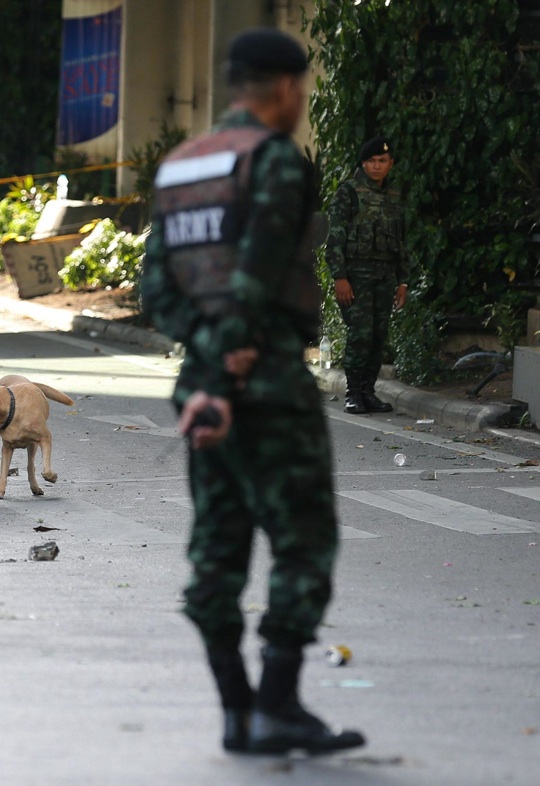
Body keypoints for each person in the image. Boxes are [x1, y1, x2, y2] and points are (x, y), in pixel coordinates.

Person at [141, 28, 365, 755]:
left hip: (199, 387)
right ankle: (276, 703)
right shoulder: (274, 162)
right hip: (264, 384)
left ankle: (237, 711)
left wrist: (202, 365)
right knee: (305, 543)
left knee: (218, 549)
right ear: (289, 89)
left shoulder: (180, 168)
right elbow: (259, 273)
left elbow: (157, 292)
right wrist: (229, 365)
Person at [325, 136, 409, 414]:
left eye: (382, 161)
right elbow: (335, 238)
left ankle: (368, 392)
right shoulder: (348, 193)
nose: (376, 166)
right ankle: (353, 393)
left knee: (378, 335)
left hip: (385, 275)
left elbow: (400, 241)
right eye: (371, 161)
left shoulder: (394, 196)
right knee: (360, 334)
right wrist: (340, 277)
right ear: (363, 163)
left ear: (390, 163)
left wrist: (403, 281)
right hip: (356, 275)